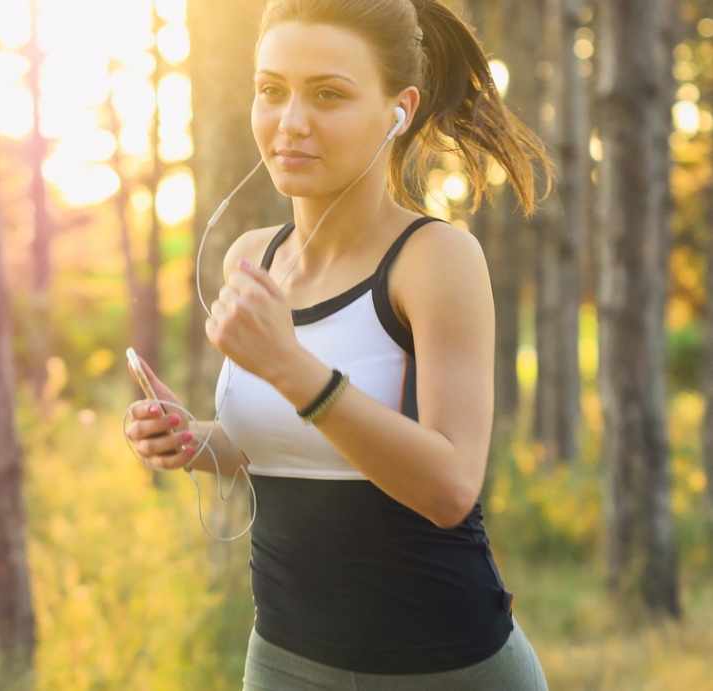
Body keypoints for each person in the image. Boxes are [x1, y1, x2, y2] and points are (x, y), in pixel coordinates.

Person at [125, 0, 552, 688]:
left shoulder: (434, 259)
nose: (290, 122)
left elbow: (449, 486)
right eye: (271, 90)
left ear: (398, 109)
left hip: (449, 667)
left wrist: (293, 370)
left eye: (328, 94)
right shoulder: (250, 257)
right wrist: (195, 441)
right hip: (285, 662)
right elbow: (284, 444)